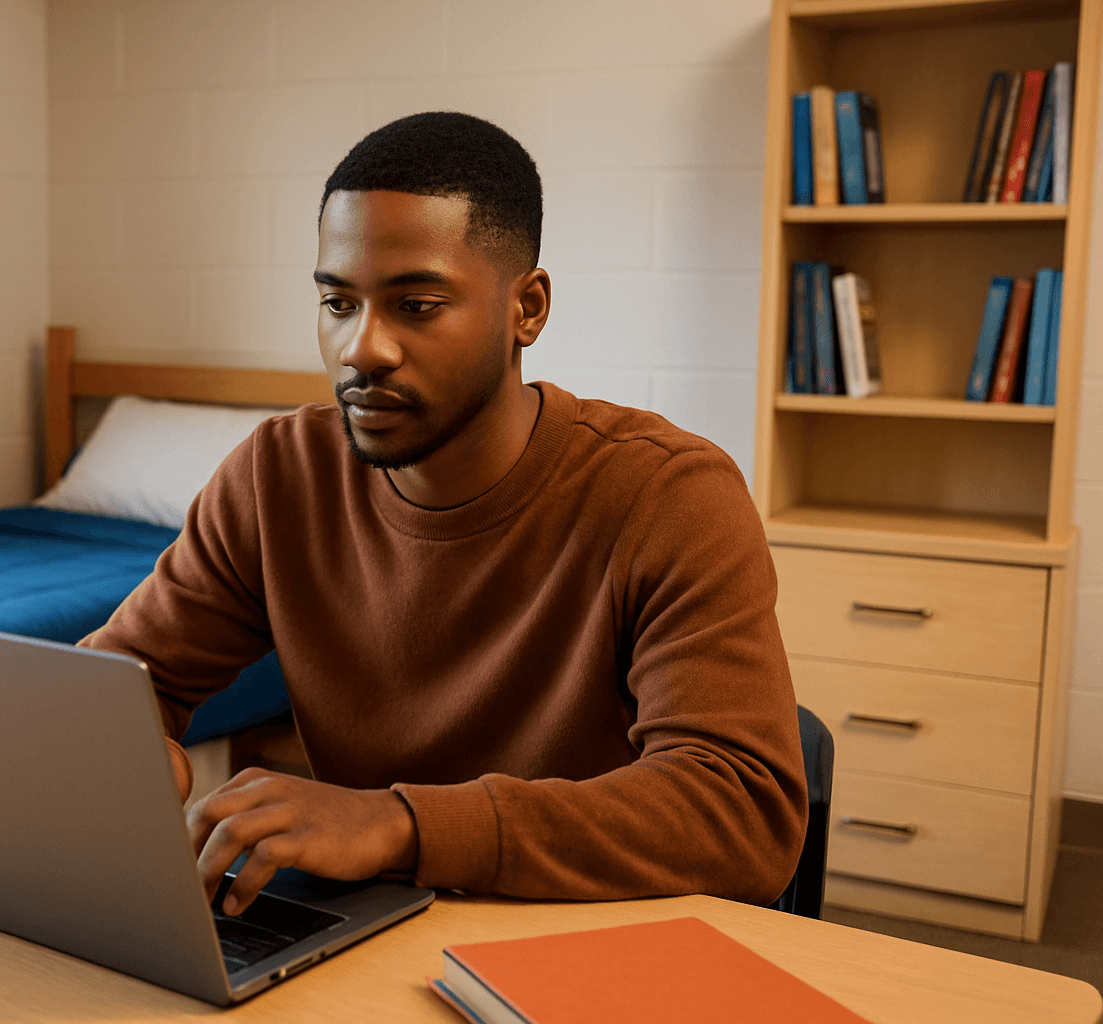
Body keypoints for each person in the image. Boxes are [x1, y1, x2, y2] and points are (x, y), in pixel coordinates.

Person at [81, 111, 807, 917]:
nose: (363, 348)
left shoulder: (671, 494)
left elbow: (744, 815)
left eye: (416, 305)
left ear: (526, 309)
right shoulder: (276, 474)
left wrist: (398, 823)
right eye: (337, 303)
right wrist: (131, 755)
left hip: (592, 940)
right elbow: (117, 685)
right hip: (374, 931)